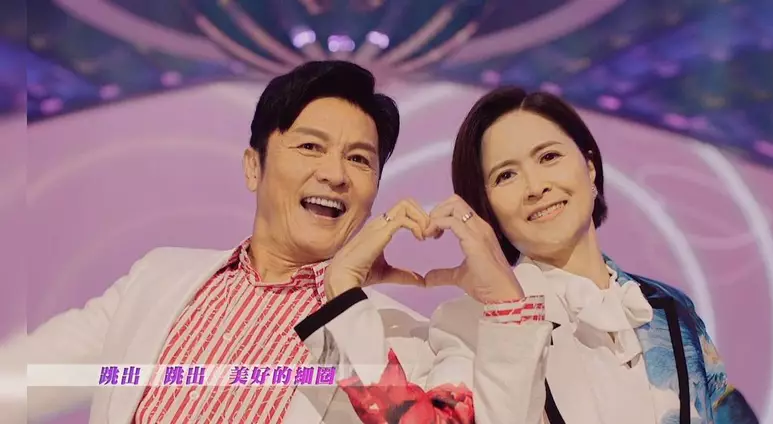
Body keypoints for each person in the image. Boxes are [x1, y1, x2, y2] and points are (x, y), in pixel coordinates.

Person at [0, 60, 442, 424]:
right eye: (310, 147)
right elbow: (22, 379)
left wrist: (343, 293)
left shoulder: (401, 338)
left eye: (359, 159)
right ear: (253, 167)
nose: (335, 174)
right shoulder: (157, 279)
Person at [339, 88, 760, 424]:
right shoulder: (475, 321)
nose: (536, 186)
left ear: (589, 167)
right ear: (486, 208)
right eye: (506, 175)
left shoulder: (669, 307)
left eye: (549, 157)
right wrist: (342, 294)